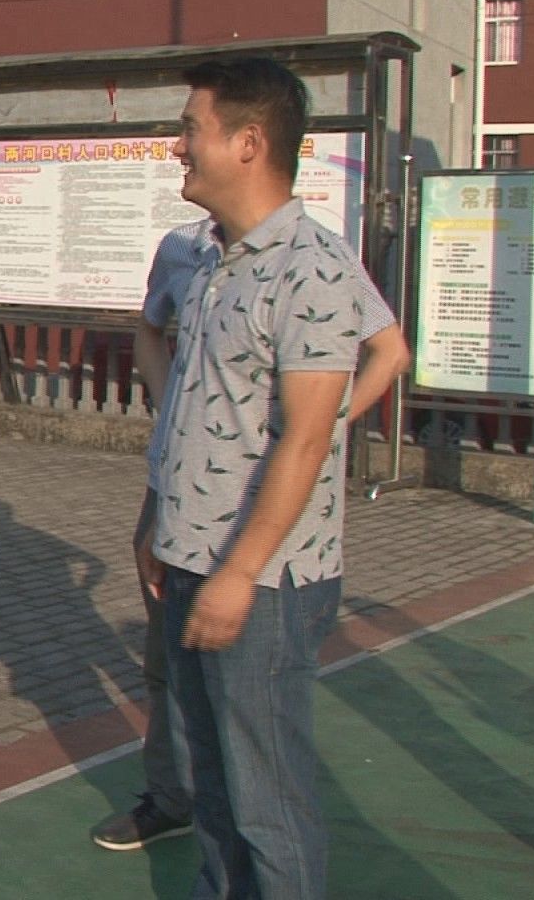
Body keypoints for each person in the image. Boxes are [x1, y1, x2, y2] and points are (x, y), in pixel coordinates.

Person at [93, 212, 408, 854]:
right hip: (176, 487)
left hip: (253, 504)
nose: (181, 160)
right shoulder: (184, 247)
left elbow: (390, 351)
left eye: (191, 150)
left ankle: (255, 836)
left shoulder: (314, 254)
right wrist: (176, 418)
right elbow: (149, 330)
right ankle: (172, 797)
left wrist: (318, 429)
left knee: (251, 711)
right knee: (168, 658)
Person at [149, 56, 379, 899]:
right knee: (214, 789)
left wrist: (237, 574)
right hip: (190, 561)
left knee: (267, 801)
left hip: (263, 583)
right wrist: (156, 524)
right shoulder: (214, 260)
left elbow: (306, 441)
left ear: (248, 143)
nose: (178, 146)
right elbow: (194, 408)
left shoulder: (312, 269)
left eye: (192, 129)